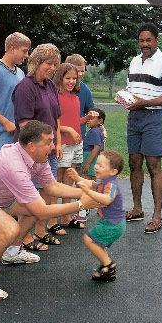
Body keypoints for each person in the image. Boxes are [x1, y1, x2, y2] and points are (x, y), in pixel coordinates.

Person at [0, 121, 101, 300]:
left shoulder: (36, 158)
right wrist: (82, 204)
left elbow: (52, 187)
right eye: (49, 142)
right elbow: (42, 211)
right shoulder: (13, 165)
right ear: (32, 145)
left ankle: (12, 252)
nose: (53, 146)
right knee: (10, 228)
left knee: (33, 208)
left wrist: (86, 193)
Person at [12, 43, 62, 250]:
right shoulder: (25, 87)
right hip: (30, 152)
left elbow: (56, 117)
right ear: (36, 62)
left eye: (55, 65)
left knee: (46, 191)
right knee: (27, 196)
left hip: (48, 150)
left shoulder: (50, 85)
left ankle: (40, 230)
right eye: (49, 64)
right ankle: (23, 237)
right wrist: (41, 146)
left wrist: (56, 143)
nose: (52, 68)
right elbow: (25, 124)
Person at [124, 23, 162, 234]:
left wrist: (144, 102)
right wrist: (124, 97)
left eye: (148, 40)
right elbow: (132, 90)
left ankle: (157, 215)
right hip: (135, 117)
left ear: (157, 40)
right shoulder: (134, 62)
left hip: (154, 117)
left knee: (153, 165)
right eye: (141, 40)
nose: (144, 44)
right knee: (134, 162)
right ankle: (137, 208)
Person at [51, 62, 97, 233]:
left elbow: (74, 121)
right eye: (67, 78)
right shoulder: (56, 97)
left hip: (77, 143)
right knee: (58, 180)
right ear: (60, 78)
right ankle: (53, 219)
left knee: (69, 179)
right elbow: (55, 123)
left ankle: (66, 216)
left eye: (74, 78)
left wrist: (86, 119)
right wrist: (67, 131)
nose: (71, 81)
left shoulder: (76, 98)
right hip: (63, 144)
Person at [67, 150, 126, 282]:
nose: (96, 167)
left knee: (88, 239)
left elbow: (106, 199)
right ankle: (107, 267)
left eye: (101, 165)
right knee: (94, 241)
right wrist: (77, 178)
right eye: (97, 164)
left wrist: (88, 192)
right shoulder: (104, 180)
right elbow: (90, 184)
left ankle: (108, 264)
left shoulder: (111, 185)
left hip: (113, 224)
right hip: (110, 222)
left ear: (113, 172)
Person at [65, 54, 94, 222]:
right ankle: (57, 211)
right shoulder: (58, 88)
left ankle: (75, 210)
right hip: (61, 140)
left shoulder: (85, 90)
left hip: (77, 140)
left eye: (83, 71)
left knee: (73, 174)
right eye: (78, 71)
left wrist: (101, 127)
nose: (80, 75)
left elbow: (91, 112)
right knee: (58, 176)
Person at [80, 108, 106, 180]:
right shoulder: (96, 130)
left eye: (91, 118)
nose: (88, 120)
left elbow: (96, 148)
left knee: (85, 180)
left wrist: (87, 163)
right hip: (90, 157)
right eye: (87, 118)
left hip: (90, 157)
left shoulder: (95, 131)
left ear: (100, 120)